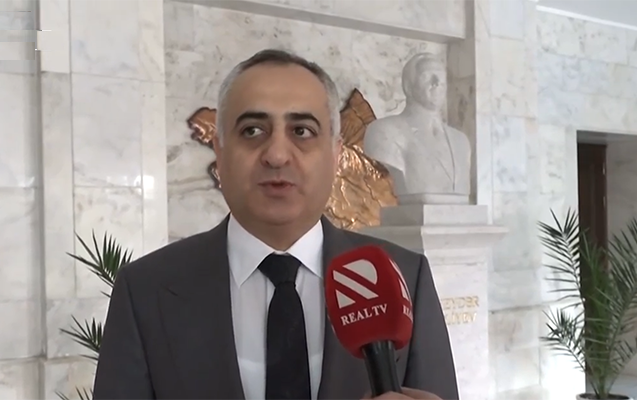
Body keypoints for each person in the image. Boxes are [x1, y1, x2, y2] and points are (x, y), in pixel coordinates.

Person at [92, 49, 459, 400]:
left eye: (302, 131)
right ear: (220, 151)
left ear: (336, 154)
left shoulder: (404, 278)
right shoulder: (145, 290)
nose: (277, 155)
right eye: (252, 131)